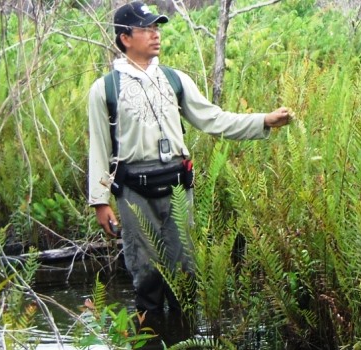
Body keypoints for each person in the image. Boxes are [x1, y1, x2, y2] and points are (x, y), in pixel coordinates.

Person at [87, 1, 291, 312]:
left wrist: (263, 120)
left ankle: (184, 334)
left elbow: (214, 119)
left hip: (178, 188)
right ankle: (152, 336)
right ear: (125, 38)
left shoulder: (175, 79)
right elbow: (99, 149)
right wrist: (100, 202)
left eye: (157, 28)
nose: (156, 35)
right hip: (134, 193)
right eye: (147, 29)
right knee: (146, 274)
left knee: (186, 273)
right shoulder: (105, 89)